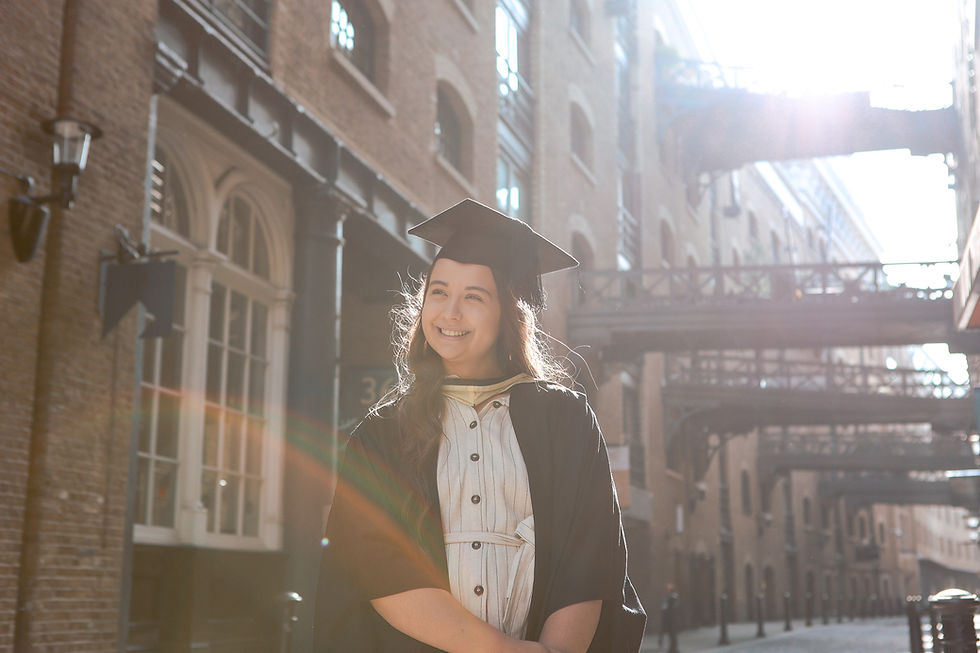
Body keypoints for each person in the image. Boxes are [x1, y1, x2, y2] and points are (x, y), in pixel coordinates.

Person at [314, 198, 646, 652]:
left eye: (474, 297)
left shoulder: (565, 419)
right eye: (438, 291)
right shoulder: (384, 431)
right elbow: (379, 564)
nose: (450, 313)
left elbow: (587, 559)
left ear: (510, 313)